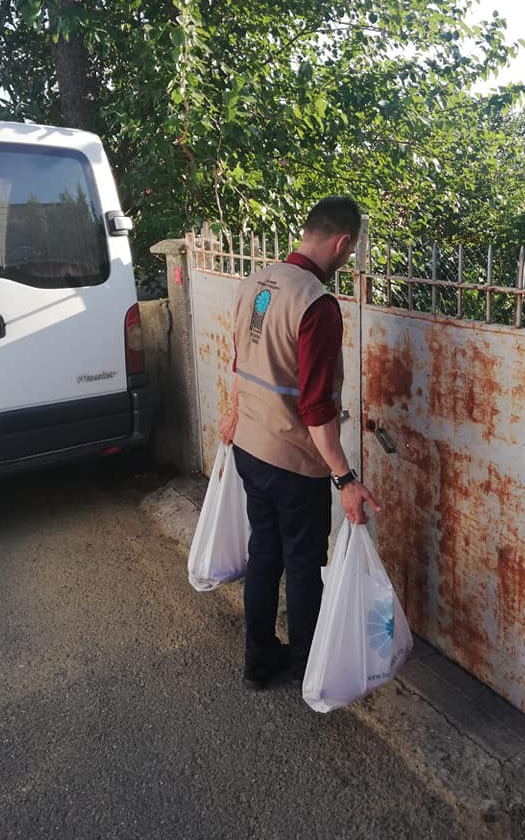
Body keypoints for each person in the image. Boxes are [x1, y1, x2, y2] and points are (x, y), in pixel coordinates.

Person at [219, 195, 381, 690]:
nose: (347, 259)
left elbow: (239, 363)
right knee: (304, 565)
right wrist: (345, 479)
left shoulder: (254, 283)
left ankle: (259, 661)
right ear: (342, 242)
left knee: (265, 553)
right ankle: (308, 667)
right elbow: (315, 407)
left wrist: (233, 414)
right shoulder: (317, 304)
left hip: (249, 448)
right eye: (350, 252)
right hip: (292, 461)